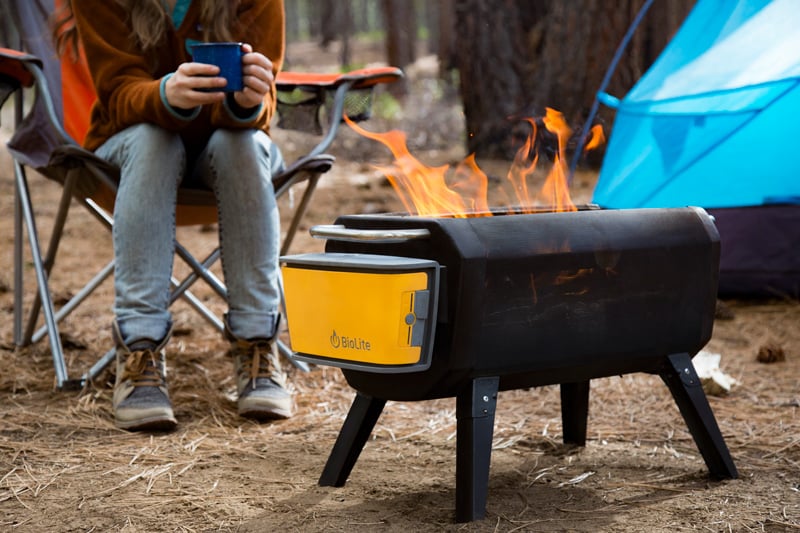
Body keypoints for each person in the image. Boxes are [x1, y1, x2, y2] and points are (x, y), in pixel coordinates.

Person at [54, 0, 291, 431]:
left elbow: (263, 100)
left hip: (230, 147)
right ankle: (139, 349)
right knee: (154, 140)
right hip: (129, 149)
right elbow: (118, 92)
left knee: (242, 146)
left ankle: (258, 346)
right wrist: (165, 94)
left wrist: (248, 99)